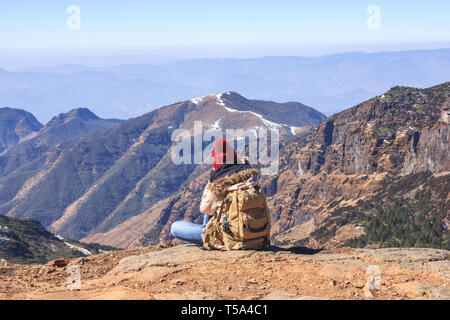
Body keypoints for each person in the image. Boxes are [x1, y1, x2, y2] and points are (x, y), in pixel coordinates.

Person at [170, 138, 258, 247]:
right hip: (256, 235)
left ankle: (208, 232)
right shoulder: (249, 178)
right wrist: (242, 164)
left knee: (175, 227)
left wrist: (211, 181)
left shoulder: (219, 184)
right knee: (215, 209)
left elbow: (204, 209)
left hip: (229, 237)